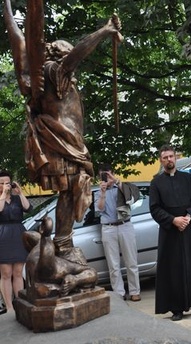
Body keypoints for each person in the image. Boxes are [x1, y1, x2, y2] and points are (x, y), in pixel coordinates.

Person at [4, 1, 123, 255]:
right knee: (69, 192)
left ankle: (61, 241)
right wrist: (105, 30)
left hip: (68, 144)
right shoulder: (51, 72)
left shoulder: (54, 77)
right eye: (64, 49)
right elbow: (77, 54)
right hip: (63, 144)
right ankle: (62, 242)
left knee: (69, 193)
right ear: (58, 55)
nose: (69, 51)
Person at [149, 145, 191, 321]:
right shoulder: (156, 183)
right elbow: (154, 208)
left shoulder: (187, 178)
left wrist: (188, 216)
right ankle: (177, 308)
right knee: (174, 269)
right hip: (171, 232)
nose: (169, 160)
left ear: (176, 158)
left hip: (190, 228)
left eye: (171, 156)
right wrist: (173, 220)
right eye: (165, 157)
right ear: (161, 160)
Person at [94, 163, 141, 301]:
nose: (106, 177)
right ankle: (119, 293)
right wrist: (102, 192)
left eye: (108, 173)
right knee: (113, 264)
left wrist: (116, 181)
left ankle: (134, 291)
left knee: (131, 260)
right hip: (108, 228)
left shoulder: (121, 187)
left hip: (125, 225)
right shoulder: (97, 192)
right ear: (99, 176)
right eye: (103, 174)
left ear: (112, 173)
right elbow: (99, 209)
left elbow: (130, 198)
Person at [0, 171, 32, 312]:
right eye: (1, 183)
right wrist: (3, 195)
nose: (5, 185)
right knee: (6, 273)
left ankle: (19, 302)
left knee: (18, 272)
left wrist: (20, 193)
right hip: (3, 235)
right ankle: (9, 307)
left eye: (7, 182)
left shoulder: (16, 199)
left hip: (18, 233)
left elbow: (28, 208)